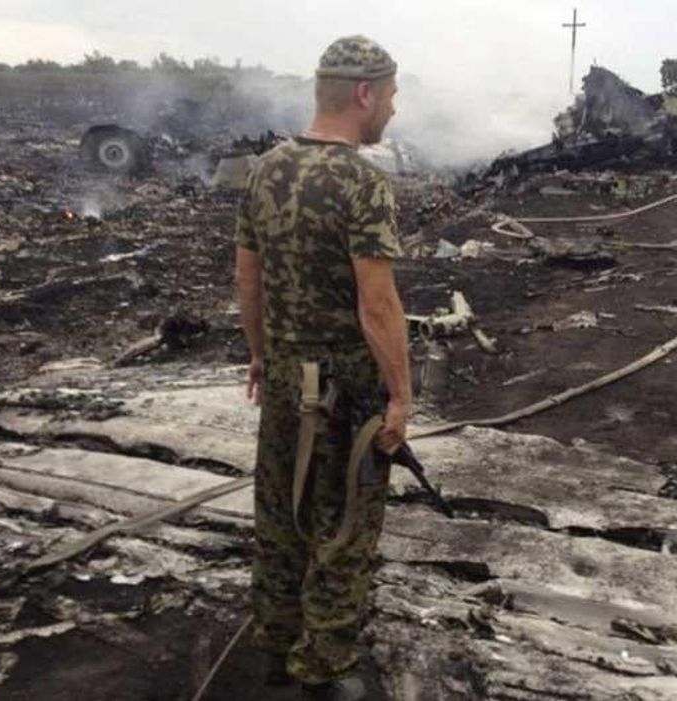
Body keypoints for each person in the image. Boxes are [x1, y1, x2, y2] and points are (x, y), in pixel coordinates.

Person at [234, 35, 410, 701]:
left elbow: (246, 280)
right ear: (364, 94)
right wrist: (399, 396)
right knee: (342, 530)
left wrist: (259, 354)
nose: (393, 110)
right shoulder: (363, 184)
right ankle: (324, 671)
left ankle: (276, 653)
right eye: (390, 96)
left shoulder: (264, 170)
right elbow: (378, 304)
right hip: (345, 393)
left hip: (281, 380)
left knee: (279, 518)